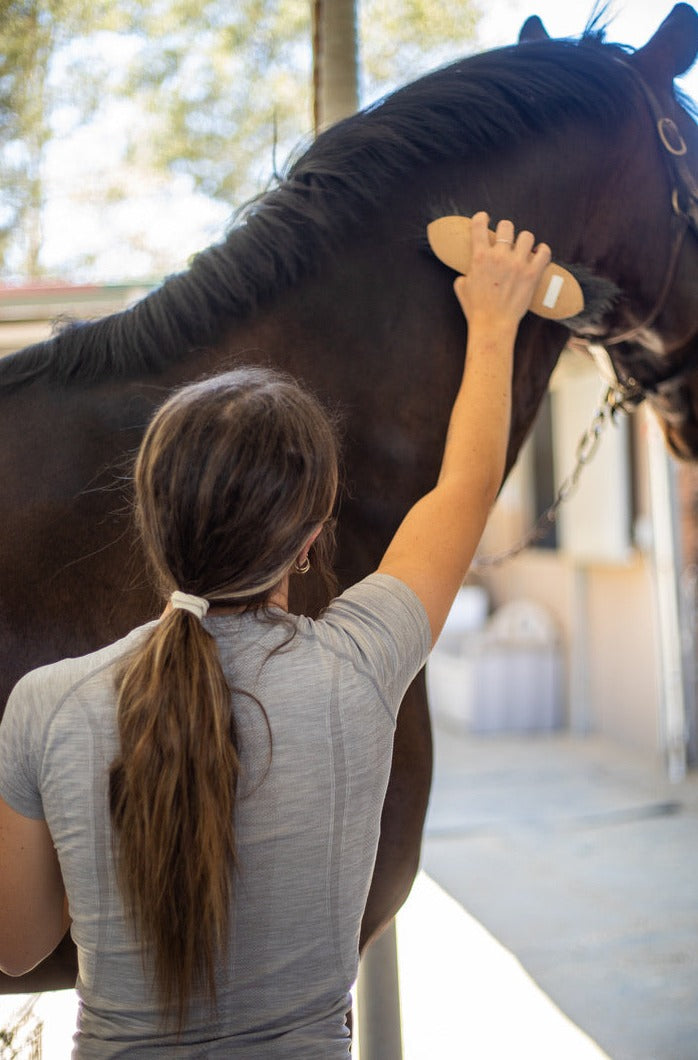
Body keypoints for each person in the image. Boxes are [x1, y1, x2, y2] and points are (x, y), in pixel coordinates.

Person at [0, 213, 550, 1057]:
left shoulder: (46, 706)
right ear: (310, 539)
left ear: (149, 522)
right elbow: (464, 490)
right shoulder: (361, 667)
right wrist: (496, 321)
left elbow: (18, 946)